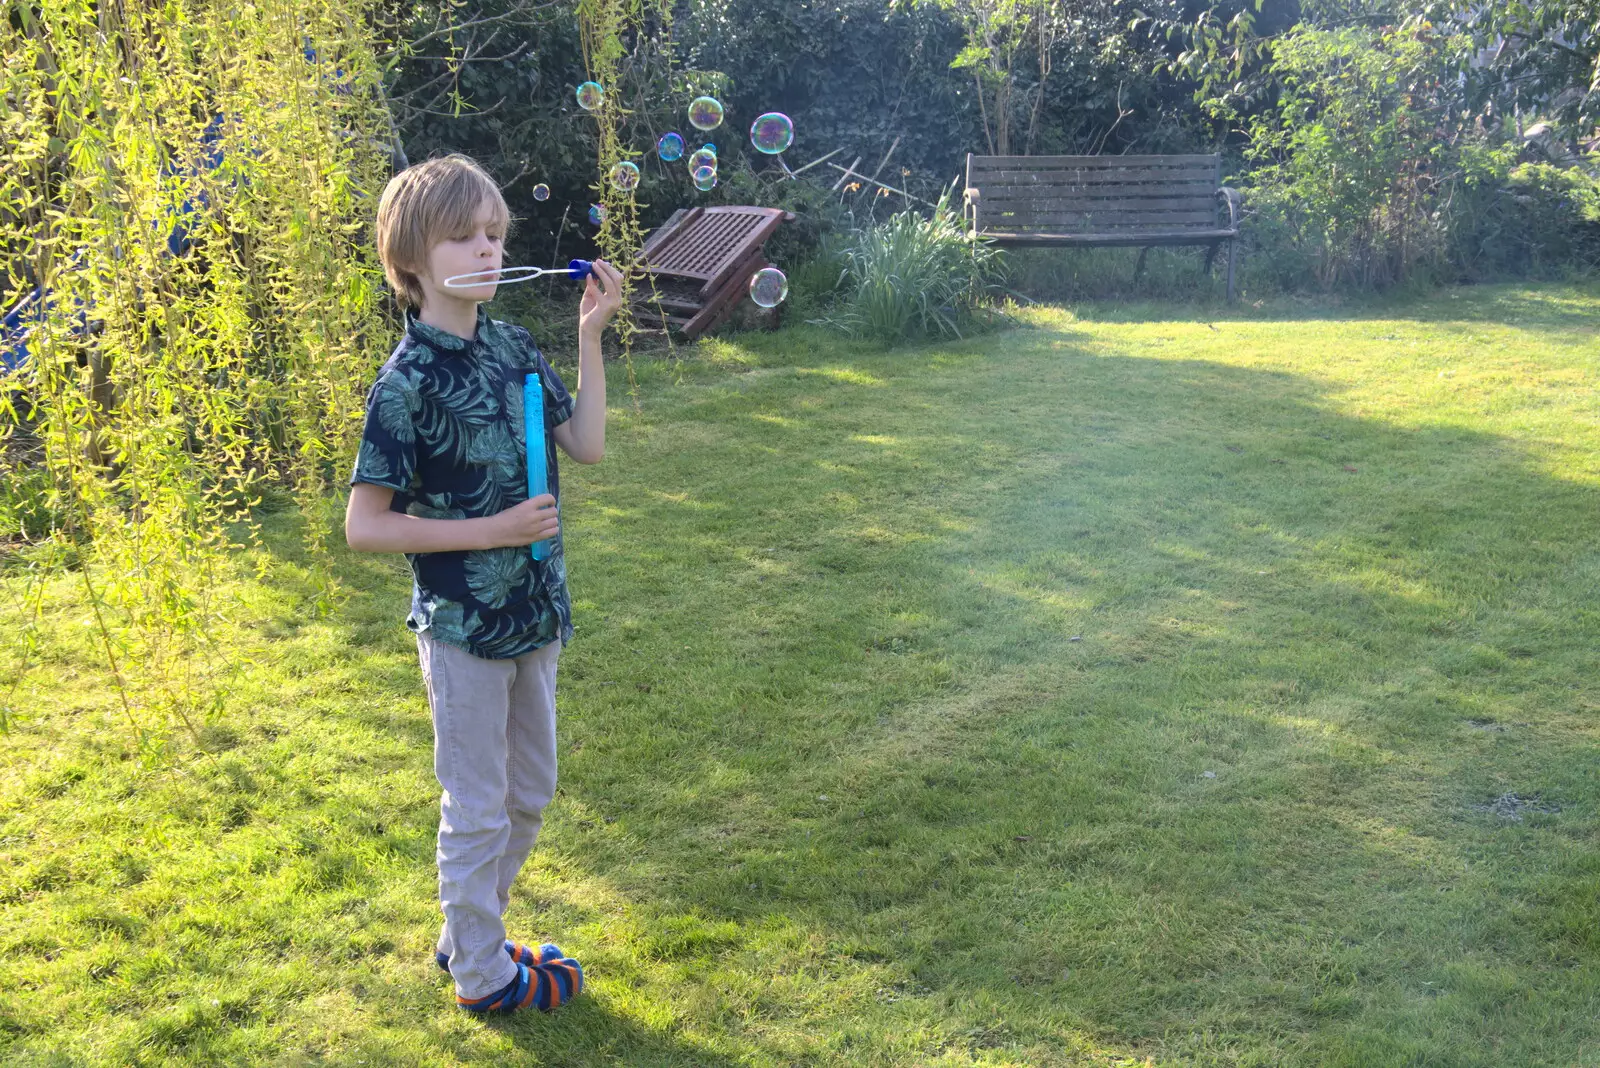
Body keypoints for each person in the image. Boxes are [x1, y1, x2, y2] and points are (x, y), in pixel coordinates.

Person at [345, 154, 624, 1015]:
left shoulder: (511, 346)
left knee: (529, 792)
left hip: (533, 613)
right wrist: (490, 531)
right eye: (465, 236)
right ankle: (480, 974)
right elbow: (365, 526)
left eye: (496, 234)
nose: (489, 249)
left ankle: (468, 928)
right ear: (412, 262)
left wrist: (589, 335)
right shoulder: (405, 386)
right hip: (464, 626)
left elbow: (585, 445)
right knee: (478, 804)